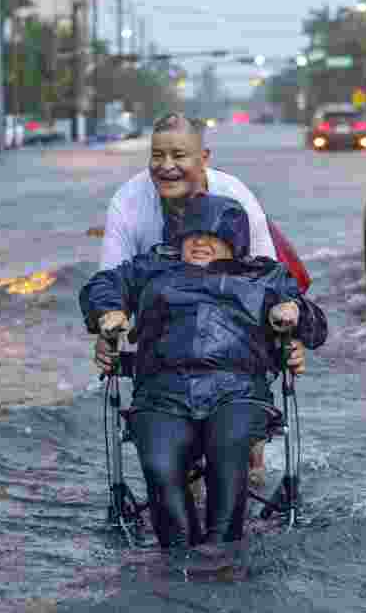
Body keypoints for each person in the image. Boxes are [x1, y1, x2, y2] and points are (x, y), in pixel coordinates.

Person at [80, 194, 328, 549]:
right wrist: (108, 311)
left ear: (234, 242)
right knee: (160, 466)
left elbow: (318, 329)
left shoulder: (265, 276)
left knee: (228, 457)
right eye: (191, 235)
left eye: (212, 236)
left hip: (238, 392)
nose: (199, 242)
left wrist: (295, 311)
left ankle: (222, 554)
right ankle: (177, 556)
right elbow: (101, 285)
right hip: (161, 393)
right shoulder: (153, 267)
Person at [94, 112, 308, 482]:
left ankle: (247, 458)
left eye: (179, 156)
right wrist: (106, 327)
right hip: (168, 342)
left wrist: (290, 339)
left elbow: (269, 283)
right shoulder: (128, 203)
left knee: (240, 450)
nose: (167, 167)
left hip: (233, 347)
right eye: (158, 157)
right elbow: (110, 283)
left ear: (204, 158)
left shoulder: (235, 197)